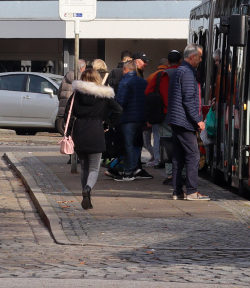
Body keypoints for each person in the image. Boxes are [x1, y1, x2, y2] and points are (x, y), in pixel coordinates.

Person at [67, 66, 122, 210]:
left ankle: (86, 196)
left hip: (79, 131)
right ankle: (88, 188)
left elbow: (68, 113)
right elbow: (118, 110)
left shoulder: (76, 94)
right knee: (94, 168)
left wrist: (67, 133)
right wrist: (107, 123)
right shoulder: (104, 95)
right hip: (96, 130)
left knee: (84, 167)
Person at [166, 44, 208, 201]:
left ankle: (177, 191)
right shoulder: (188, 73)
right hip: (184, 121)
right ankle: (192, 191)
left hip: (176, 120)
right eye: (199, 57)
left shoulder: (178, 71)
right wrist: (198, 120)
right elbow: (189, 99)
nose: (200, 60)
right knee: (193, 155)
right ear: (192, 57)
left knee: (178, 156)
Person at [113, 52, 150, 181]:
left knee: (128, 145)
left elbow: (120, 102)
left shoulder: (125, 82)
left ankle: (128, 172)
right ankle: (134, 168)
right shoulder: (142, 82)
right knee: (136, 145)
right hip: (140, 119)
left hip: (128, 119)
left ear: (126, 69)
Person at [147, 50, 181, 180]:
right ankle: (182, 173)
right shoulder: (184, 73)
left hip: (165, 114)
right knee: (182, 143)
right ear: (180, 61)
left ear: (167, 62)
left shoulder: (160, 75)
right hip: (181, 115)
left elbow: (148, 91)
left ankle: (170, 174)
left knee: (167, 142)